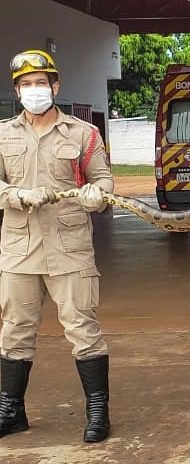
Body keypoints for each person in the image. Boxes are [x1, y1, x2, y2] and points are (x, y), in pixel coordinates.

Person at [0, 50, 113, 442]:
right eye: (26, 85)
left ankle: (97, 413)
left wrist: (95, 195)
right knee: (15, 329)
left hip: (70, 248)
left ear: (55, 86)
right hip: (19, 248)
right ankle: (11, 410)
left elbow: (103, 180)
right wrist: (17, 195)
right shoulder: (3, 134)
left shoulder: (83, 133)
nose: (35, 91)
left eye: (41, 83)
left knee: (83, 328)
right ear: (17, 91)